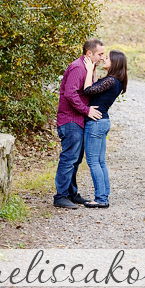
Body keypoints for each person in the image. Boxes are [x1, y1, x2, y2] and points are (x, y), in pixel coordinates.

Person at [53, 38, 105, 209]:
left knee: (75, 160)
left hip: (78, 120)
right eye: (100, 54)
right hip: (70, 120)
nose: (102, 58)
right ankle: (61, 196)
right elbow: (70, 94)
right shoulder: (77, 67)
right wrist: (87, 110)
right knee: (69, 159)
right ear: (89, 53)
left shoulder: (87, 68)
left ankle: (71, 193)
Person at [81, 49, 128, 208]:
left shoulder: (111, 81)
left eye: (107, 58)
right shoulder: (115, 81)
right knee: (100, 162)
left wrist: (88, 69)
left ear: (115, 62)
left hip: (96, 123)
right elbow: (95, 89)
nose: (104, 59)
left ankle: (101, 199)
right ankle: (103, 194)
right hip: (103, 122)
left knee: (94, 162)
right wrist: (92, 70)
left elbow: (88, 90)